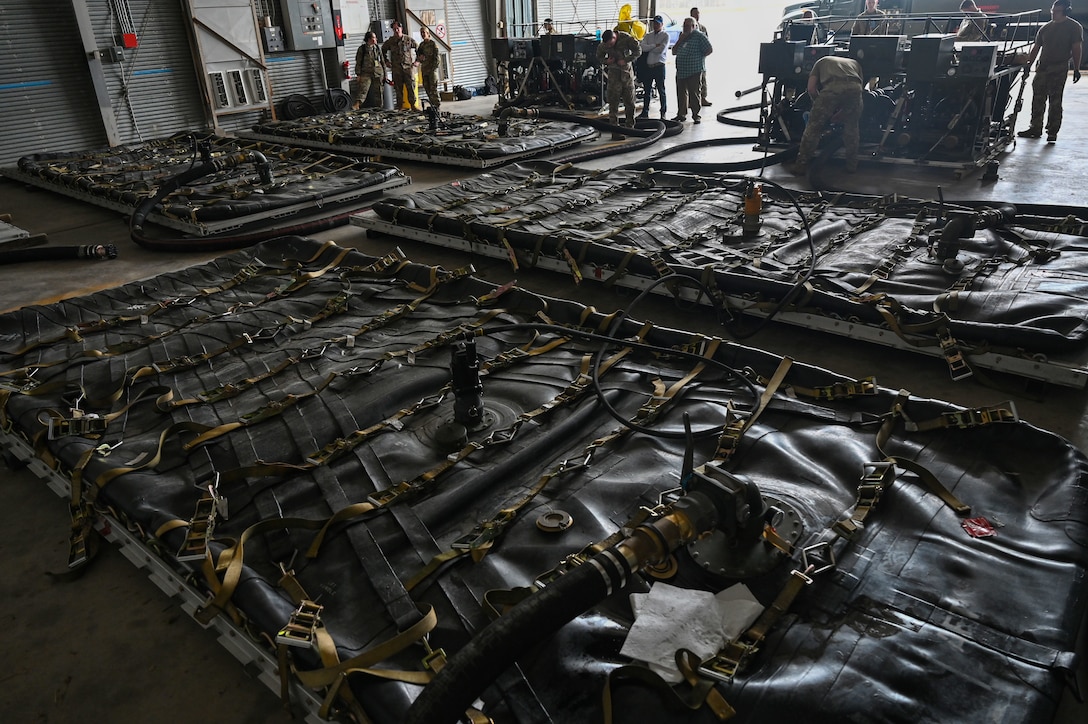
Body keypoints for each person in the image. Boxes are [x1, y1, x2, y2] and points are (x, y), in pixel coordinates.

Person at [1018, 0, 1083, 143]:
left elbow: (1076, 48)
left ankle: (1052, 131)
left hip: (1059, 68)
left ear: (1066, 11)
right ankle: (1035, 127)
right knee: (1037, 98)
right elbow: (1036, 47)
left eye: (1057, 11)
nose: (1053, 13)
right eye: (1053, 10)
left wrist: (1076, 69)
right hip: (1043, 67)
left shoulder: (1073, 27)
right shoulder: (1045, 28)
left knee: (1055, 100)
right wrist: (1029, 63)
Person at [793, 54, 865, 174]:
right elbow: (857, 89)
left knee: (813, 129)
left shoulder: (821, 61)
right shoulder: (854, 62)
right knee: (852, 128)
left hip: (833, 87)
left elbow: (811, 88)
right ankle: (851, 166)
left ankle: (800, 167)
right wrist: (842, 112)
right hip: (855, 88)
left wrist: (819, 105)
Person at [596, 29, 642, 139]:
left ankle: (630, 128)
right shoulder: (604, 44)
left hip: (626, 76)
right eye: (608, 45)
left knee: (630, 103)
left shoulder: (626, 38)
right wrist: (607, 61)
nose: (609, 46)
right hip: (613, 77)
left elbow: (638, 51)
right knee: (613, 104)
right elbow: (599, 56)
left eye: (611, 44)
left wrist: (626, 60)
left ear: (614, 37)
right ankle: (615, 131)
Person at [671, 16, 713, 124]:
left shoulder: (700, 36)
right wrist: (680, 40)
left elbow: (709, 49)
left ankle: (696, 114)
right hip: (681, 70)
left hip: (694, 70)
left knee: (694, 93)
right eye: (684, 26)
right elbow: (674, 51)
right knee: (681, 93)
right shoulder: (682, 35)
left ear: (694, 26)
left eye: (688, 26)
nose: (685, 28)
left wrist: (699, 58)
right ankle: (681, 114)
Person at [638, 15, 670, 119]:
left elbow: (660, 49)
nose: (655, 25)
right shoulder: (648, 35)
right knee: (647, 90)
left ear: (662, 24)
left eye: (658, 23)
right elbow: (642, 47)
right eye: (654, 23)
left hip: (659, 66)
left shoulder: (665, 35)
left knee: (661, 90)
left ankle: (663, 112)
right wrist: (654, 46)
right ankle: (645, 111)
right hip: (649, 67)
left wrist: (651, 47)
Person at [382, 20, 418, 111]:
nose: (396, 31)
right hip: (396, 69)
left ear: (401, 28)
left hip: (408, 68)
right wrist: (386, 61)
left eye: (398, 29)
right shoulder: (390, 41)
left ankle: (413, 106)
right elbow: (383, 50)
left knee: (411, 87)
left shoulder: (408, 40)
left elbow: (419, 49)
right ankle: (400, 107)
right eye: (394, 29)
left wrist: (417, 61)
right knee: (398, 89)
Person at [352, 31, 386, 110]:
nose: (375, 39)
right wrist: (358, 74)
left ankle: (379, 107)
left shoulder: (377, 48)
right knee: (363, 89)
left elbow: (382, 61)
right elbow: (358, 62)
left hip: (378, 73)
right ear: (369, 39)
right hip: (366, 73)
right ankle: (357, 105)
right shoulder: (362, 49)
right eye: (373, 37)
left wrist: (385, 74)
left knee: (379, 91)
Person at [416, 26, 442, 111]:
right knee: (427, 88)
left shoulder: (433, 44)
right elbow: (419, 56)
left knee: (433, 89)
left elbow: (437, 59)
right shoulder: (421, 45)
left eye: (424, 32)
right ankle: (433, 106)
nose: (423, 34)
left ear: (428, 33)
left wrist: (433, 68)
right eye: (421, 33)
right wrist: (419, 59)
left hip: (432, 71)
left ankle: (437, 107)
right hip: (424, 70)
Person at [690, 7, 711, 106]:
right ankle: (691, 101)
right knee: (691, 81)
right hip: (691, 60)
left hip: (701, 58)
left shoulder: (702, 28)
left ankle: (703, 97)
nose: (697, 15)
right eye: (695, 14)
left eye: (698, 13)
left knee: (703, 79)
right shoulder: (688, 28)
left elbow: (707, 43)